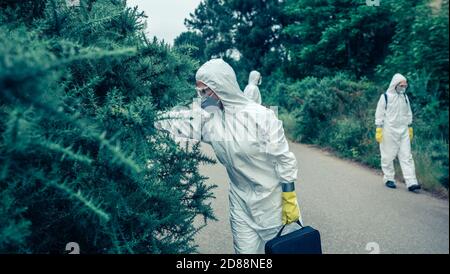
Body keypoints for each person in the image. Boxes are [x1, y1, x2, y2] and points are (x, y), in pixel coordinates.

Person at [155, 59, 301, 254]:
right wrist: (145, 117)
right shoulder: (211, 120)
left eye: (205, 91)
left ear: (221, 86)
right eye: (199, 92)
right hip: (241, 205)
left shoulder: (262, 117)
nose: (201, 97)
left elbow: (284, 159)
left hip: (274, 205)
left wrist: (289, 197)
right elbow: (177, 121)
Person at [375, 73, 421, 192]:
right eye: (401, 85)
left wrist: (409, 126)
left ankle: (411, 182)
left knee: (407, 156)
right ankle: (389, 178)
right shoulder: (385, 97)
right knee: (388, 155)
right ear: (395, 85)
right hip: (389, 131)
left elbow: (408, 112)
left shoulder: (404, 97)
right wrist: (379, 128)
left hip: (404, 131)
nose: (403, 87)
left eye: (405, 85)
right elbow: (379, 113)